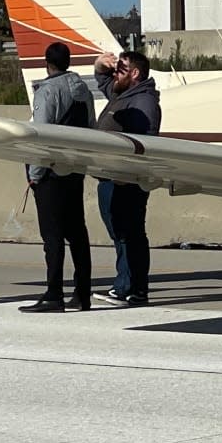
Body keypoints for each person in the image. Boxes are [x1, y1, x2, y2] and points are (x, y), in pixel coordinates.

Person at [19, 42, 97, 313]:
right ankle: (83, 292)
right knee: (77, 232)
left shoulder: (47, 91)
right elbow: (91, 128)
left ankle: (54, 293)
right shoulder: (83, 90)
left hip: (52, 170)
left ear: (46, 63)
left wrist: (34, 174)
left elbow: (41, 135)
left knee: (52, 236)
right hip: (75, 169)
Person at [92, 50, 160, 306]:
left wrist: (126, 175)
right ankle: (131, 287)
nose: (114, 74)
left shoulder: (143, 102)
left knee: (128, 233)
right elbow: (104, 81)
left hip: (125, 180)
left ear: (135, 74)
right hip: (112, 177)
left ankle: (128, 288)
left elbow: (144, 142)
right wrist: (100, 65)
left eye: (120, 69)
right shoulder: (124, 93)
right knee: (122, 232)